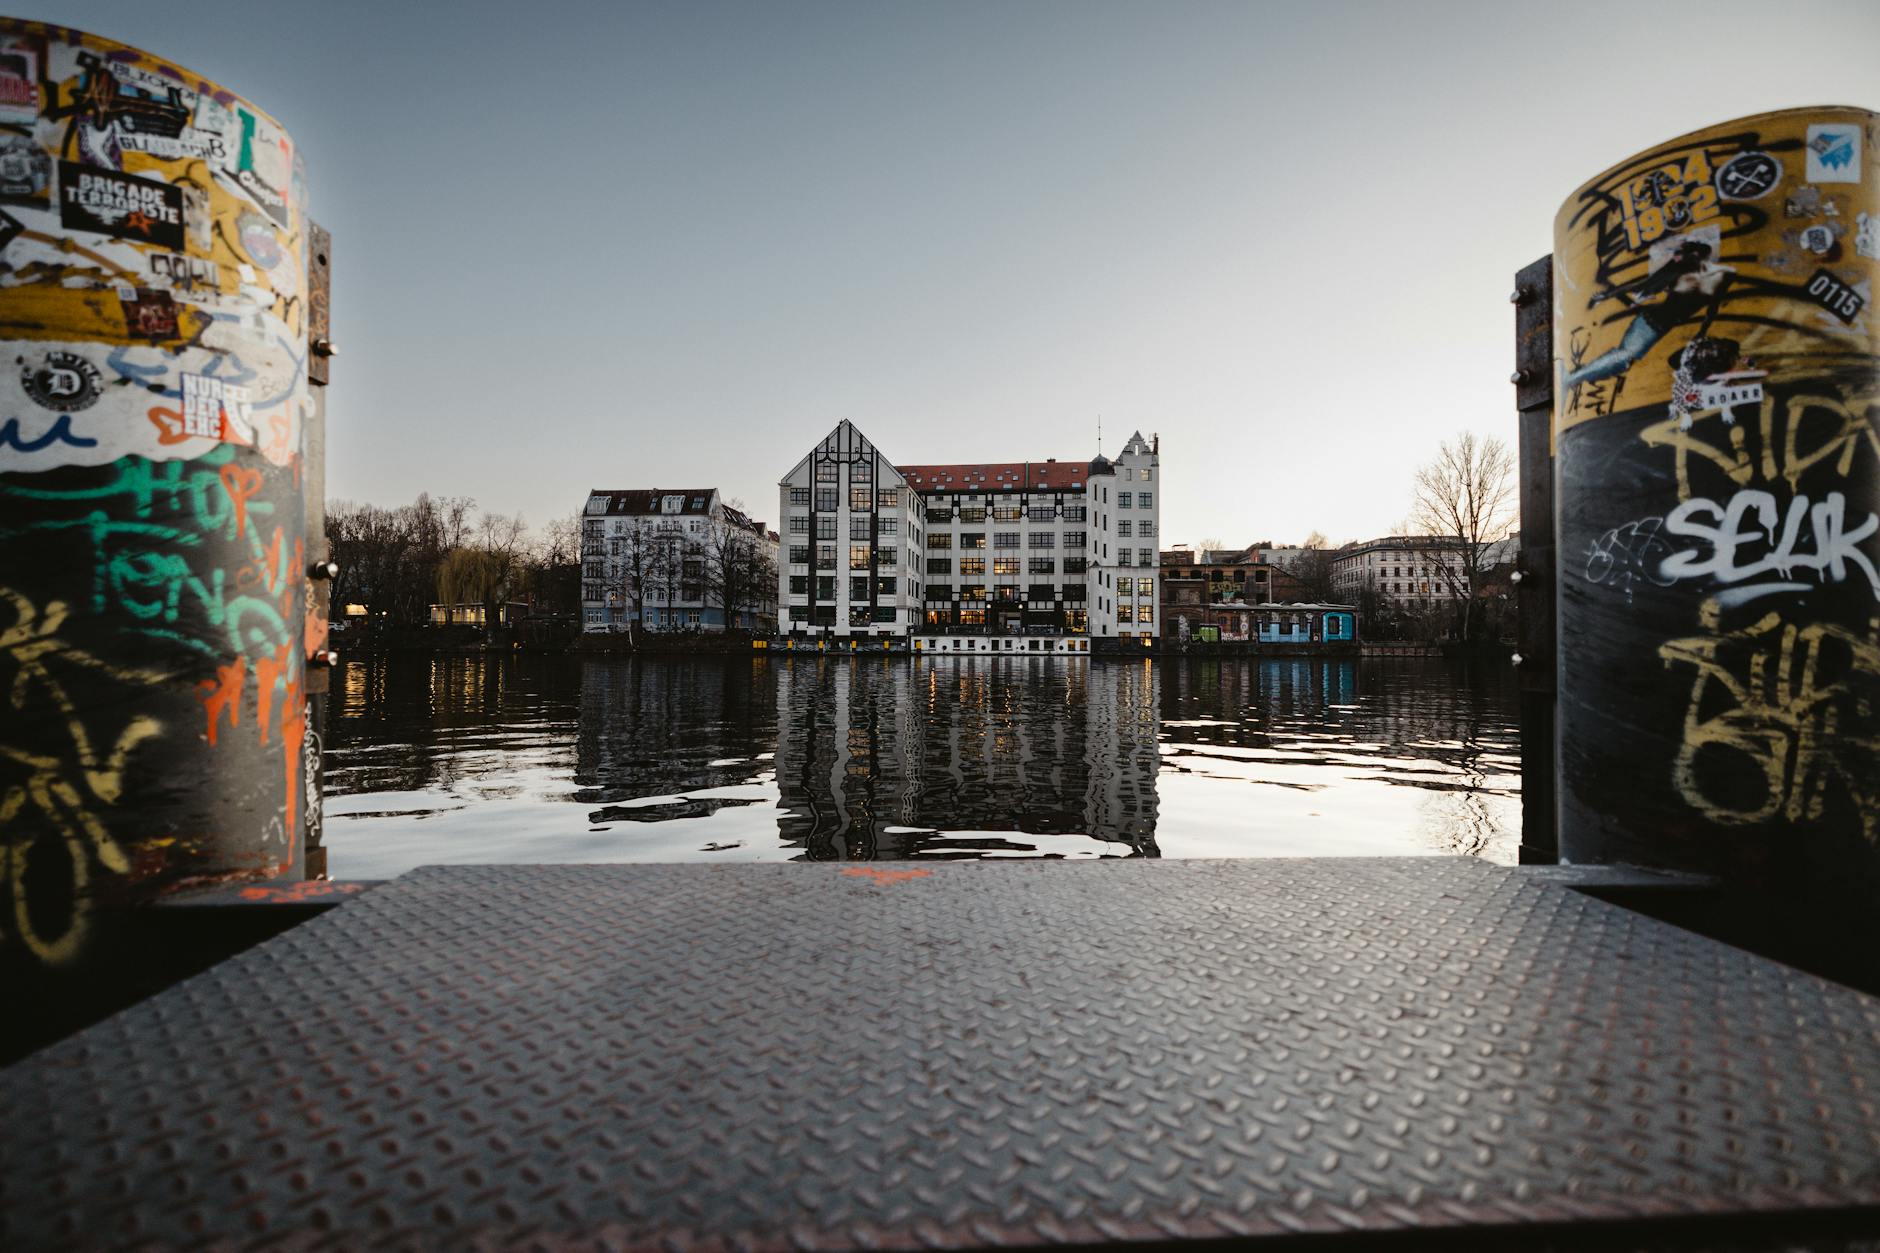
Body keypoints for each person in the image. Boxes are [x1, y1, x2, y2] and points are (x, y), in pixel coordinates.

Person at [1564, 240, 1733, 389]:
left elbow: (1713, 307)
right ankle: (1574, 377)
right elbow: (1641, 285)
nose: (1679, 260)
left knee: (1622, 358)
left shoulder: (1722, 275)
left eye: (1683, 257)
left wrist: (1702, 333)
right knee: (1622, 358)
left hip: (1658, 324)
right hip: (1650, 323)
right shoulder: (1689, 273)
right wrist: (1607, 295)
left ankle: (1575, 377)